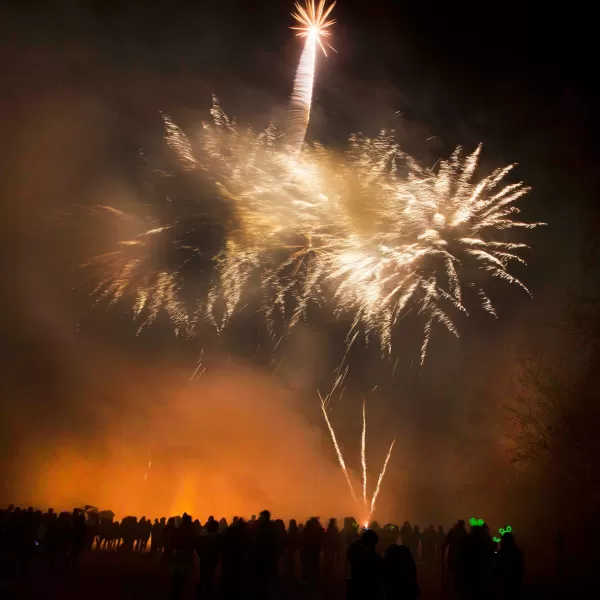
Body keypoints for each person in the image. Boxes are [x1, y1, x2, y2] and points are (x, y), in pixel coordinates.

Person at [347, 528, 383, 599]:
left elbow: (350, 554)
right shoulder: (377, 558)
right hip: (372, 592)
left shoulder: (357, 556)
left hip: (357, 591)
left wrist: (357, 543)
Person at [171, 514, 198, 600]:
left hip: (178, 555)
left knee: (177, 577)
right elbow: (195, 543)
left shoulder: (178, 530)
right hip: (186, 556)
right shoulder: (192, 531)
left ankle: (176, 594)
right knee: (185, 578)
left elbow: (172, 542)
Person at [495, 532, 524, 600]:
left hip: (505, 581)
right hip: (515, 581)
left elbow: (497, 565)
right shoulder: (517, 551)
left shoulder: (502, 552)